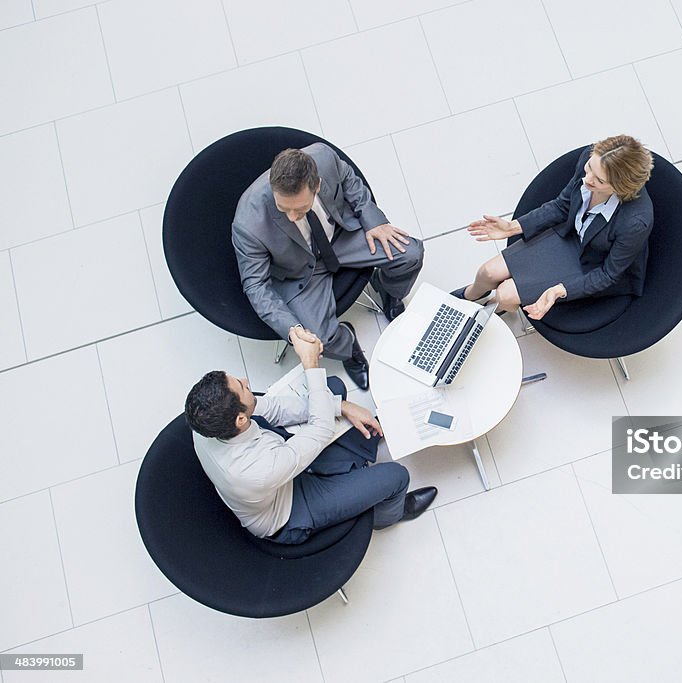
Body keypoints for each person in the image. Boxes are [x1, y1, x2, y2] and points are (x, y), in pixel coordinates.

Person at [185, 325, 437, 544]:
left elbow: (270, 408)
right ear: (240, 420)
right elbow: (320, 429)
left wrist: (341, 405)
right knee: (396, 476)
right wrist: (310, 364)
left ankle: (355, 459)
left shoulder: (206, 425)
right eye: (242, 386)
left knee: (332, 391)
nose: (246, 379)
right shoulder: (256, 471)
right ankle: (385, 516)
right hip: (290, 510)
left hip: (275, 468)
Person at [233, 144, 424, 390]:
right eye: (284, 209)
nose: (292, 217)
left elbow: (349, 180)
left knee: (411, 254)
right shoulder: (248, 224)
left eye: (300, 209)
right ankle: (349, 348)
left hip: (341, 238)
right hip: (299, 271)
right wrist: (292, 330)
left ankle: (389, 291)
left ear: (318, 185)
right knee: (319, 338)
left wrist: (373, 219)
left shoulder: (324, 158)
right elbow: (255, 285)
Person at [453, 135, 654, 320]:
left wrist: (559, 290)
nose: (587, 179)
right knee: (487, 272)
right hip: (570, 236)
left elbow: (608, 274)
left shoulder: (635, 222)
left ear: (621, 188)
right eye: (589, 167)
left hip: (594, 263)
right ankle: (470, 295)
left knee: (505, 295)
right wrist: (512, 227)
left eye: (599, 180)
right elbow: (562, 206)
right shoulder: (591, 160)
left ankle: (484, 314)